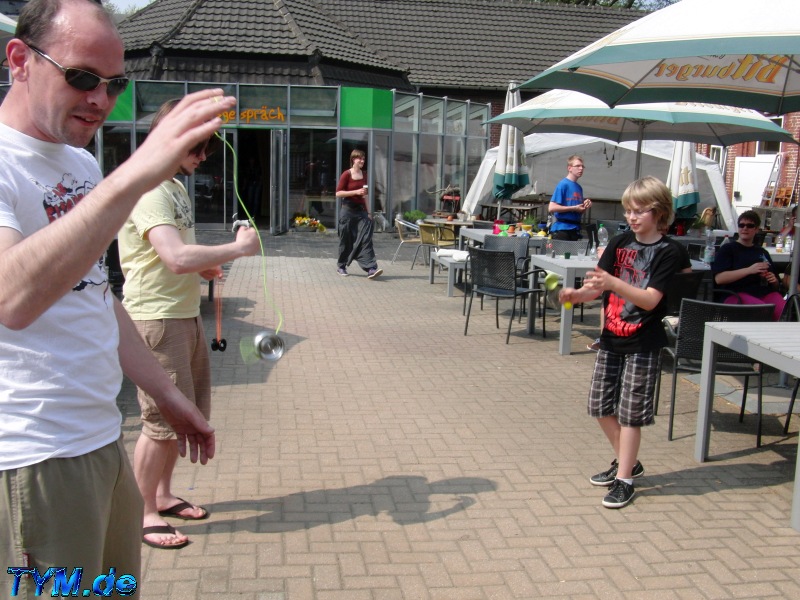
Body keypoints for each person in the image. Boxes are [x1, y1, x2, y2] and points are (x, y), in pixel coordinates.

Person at [0, 0, 233, 593]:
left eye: (114, 83)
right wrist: (137, 174)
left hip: (102, 439)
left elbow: (97, 298)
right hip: (33, 454)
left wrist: (167, 393)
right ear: (19, 60)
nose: (100, 100)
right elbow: (12, 298)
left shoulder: (78, 163)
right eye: (81, 77)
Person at [118, 99, 261, 549]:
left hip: (182, 314)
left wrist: (207, 268)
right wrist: (236, 249)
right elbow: (175, 257)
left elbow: (182, 256)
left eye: (206, 151)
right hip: (157, 318)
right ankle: (142, 515)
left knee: (181, 416)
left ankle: (159, 495)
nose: (202, 158)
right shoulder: (151, 190)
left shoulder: (174, 187)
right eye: (198, 149)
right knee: (160, 421)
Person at [560, 176, 684, 509]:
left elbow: (649, 300)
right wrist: (575, 296)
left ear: (658, 212)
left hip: (644, 340)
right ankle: (628, 461)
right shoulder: (619, 242)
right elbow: (597, 287)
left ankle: (625, 478)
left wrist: (614, 281)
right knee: (599, 405)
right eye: (629, 210)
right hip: (612, 337)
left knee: (630, 415)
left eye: (640, 211)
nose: (631, 217)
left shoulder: (670, 251)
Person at [712, 209, 786, 321]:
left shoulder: (761, 252)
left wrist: (774, 280)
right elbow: (719, 279)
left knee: (785, 311)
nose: (745, 228)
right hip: (735, 294)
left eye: (750, 226)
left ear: (756, 229)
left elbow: (776, 286)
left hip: (764, 293)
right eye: (741, 225)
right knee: (763, 311)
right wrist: (749, 270)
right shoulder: (728, 249)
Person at [335, 149, 382, 278]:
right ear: (353, 160)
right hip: (347, 210)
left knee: (366, 239)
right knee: (346, 239)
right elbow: (338, 193)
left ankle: (371, 268)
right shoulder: (346, 174)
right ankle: (341, 266)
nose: (362, 161)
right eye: (359, 158)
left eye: (363, 158)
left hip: (360, 211)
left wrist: (369, 212)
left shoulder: (364, 174)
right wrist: (355, 192)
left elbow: (364, 195)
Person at [548, 155, 592, 241]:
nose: (581, 168)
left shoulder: (579, 188)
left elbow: (579, 211)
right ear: (569, 168)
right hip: (562, 230)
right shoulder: (563, 185)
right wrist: (574, 208)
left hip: (575, 229)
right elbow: (551, 207)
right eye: (578, 166)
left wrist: (585, 206)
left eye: (582, 166)